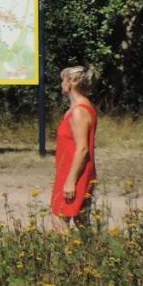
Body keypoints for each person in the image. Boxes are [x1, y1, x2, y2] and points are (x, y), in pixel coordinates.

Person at [50, 65, 98, 231]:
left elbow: (83, 149)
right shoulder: (78, 109)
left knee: (59, 217)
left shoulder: (79, 111)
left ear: (71, 83)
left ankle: (69, 256)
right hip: (72, 169)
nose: (61, 84)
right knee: (81, 219)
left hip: (75, 172)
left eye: (63, 80)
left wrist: (70, 181)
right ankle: (91, 253)